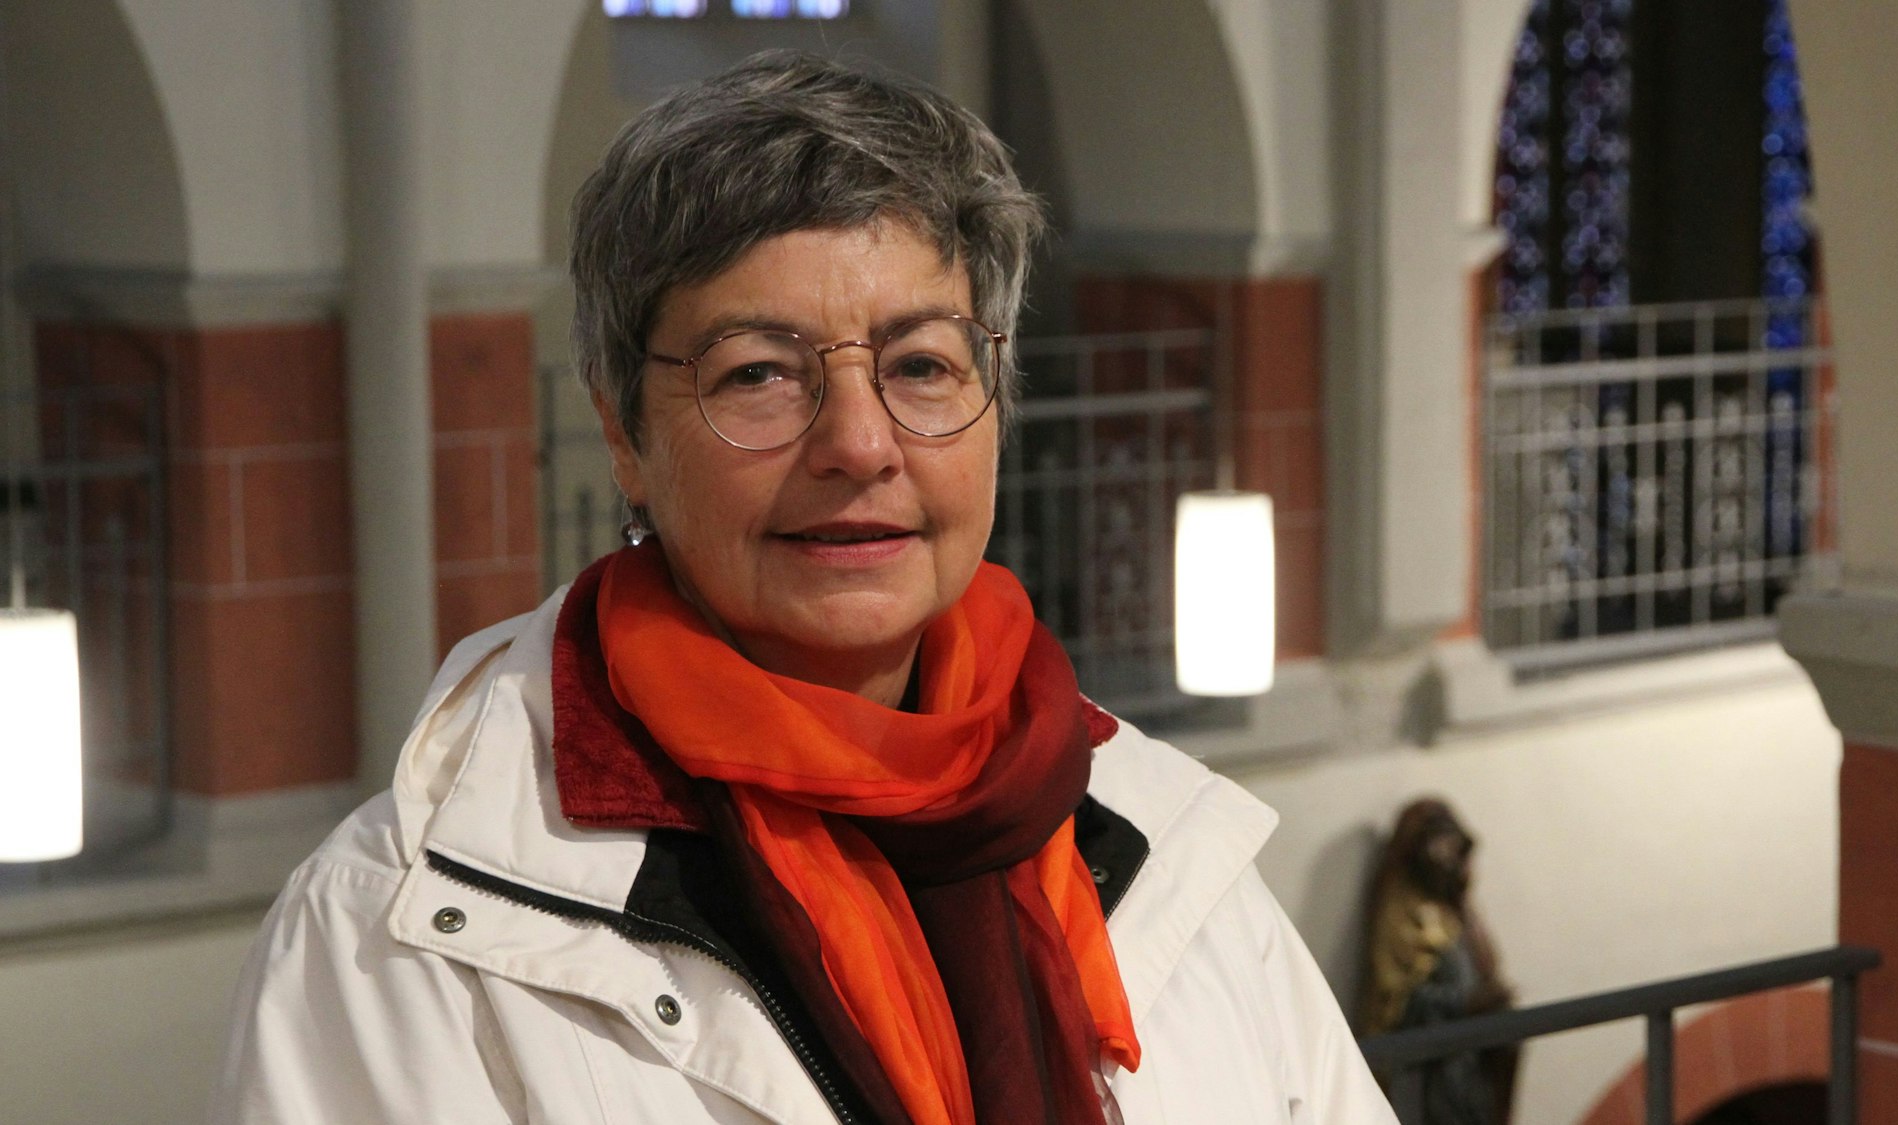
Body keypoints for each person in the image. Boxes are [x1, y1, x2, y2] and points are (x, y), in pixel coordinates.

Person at [210, 50, 1396, 1125]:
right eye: (759, 375)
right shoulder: (398, 927)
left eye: (922, 365)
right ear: (623, 430)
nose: (858, 444)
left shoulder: (1156, 835)